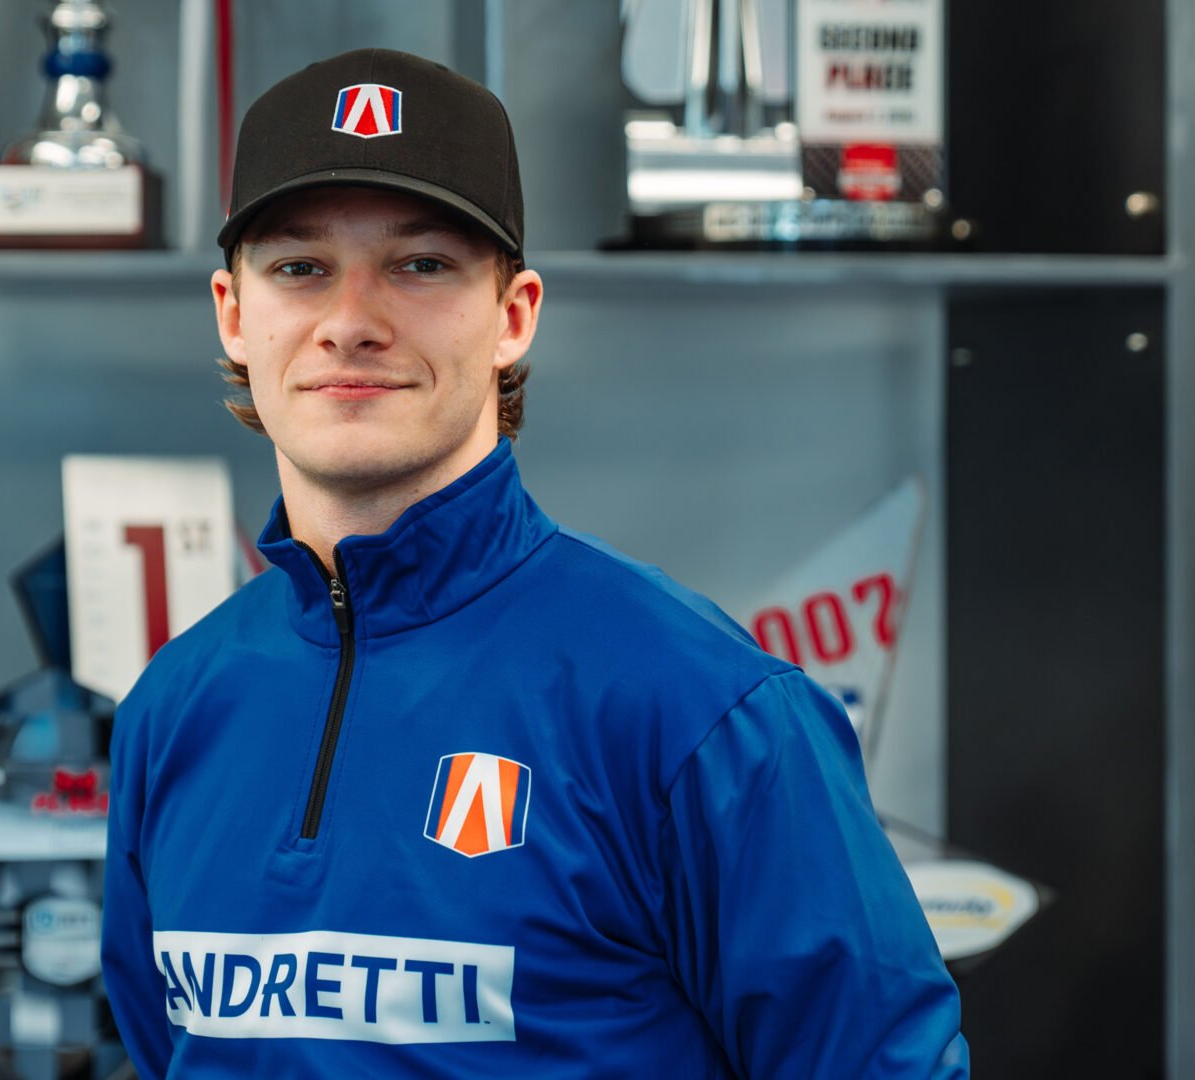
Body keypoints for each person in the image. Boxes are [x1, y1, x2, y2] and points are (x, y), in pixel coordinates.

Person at [101, 48, 966, 1077]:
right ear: (234, 315)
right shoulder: (174, 708)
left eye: (422, 265)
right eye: (300, 268)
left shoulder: (699, 705)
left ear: (513, 317)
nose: (352, 322)